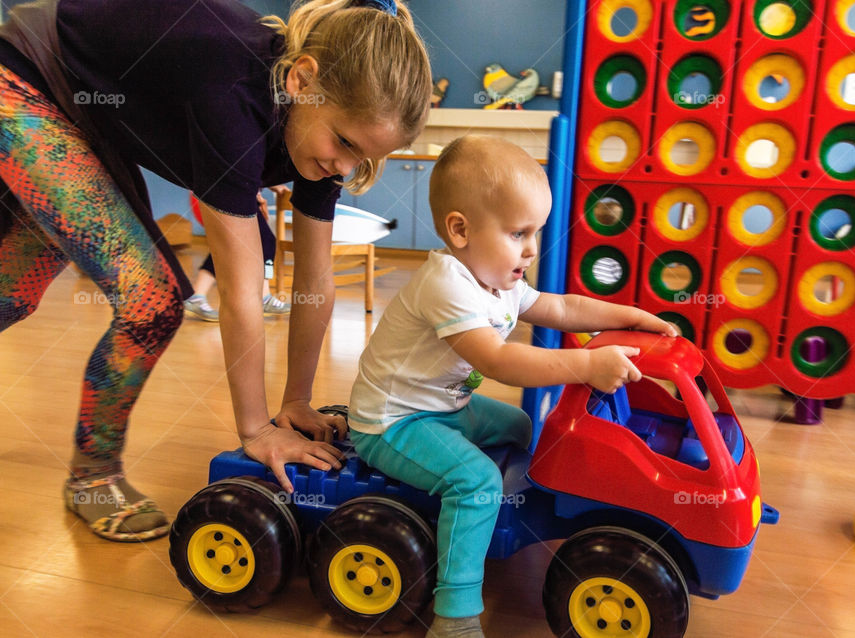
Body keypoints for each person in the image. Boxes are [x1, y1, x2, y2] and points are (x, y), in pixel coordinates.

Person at [0, 0, 431, 541]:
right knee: (150, 300)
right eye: (345, 145)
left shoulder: (321, 125)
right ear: (302, 80)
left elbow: (314, 278)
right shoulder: (232, 83)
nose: (345, 167)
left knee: (13, 291)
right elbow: (240, 284)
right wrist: (255, 429)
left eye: (363, 160)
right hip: (23, 78)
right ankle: (93, 477)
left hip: (89, 113)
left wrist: (295, 400)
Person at [348, 135, 678, 638]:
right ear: (460, 230)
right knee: (477, 481)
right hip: (393, 420)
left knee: (521, 424)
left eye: (536, 232)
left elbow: (563, 308)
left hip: (444, 406)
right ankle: (453, 615)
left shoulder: (500, 281)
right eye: (518, 232)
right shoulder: (447, 284)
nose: (531, 249)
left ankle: (503, 520)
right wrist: (584, 367)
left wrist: (631, 315)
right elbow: (499, 361)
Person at [184, 189, 292, 322]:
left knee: (228, 245)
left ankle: (197, 295)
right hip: (229, 191)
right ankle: (264, 297)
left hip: (221, 191)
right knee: (266, 241)